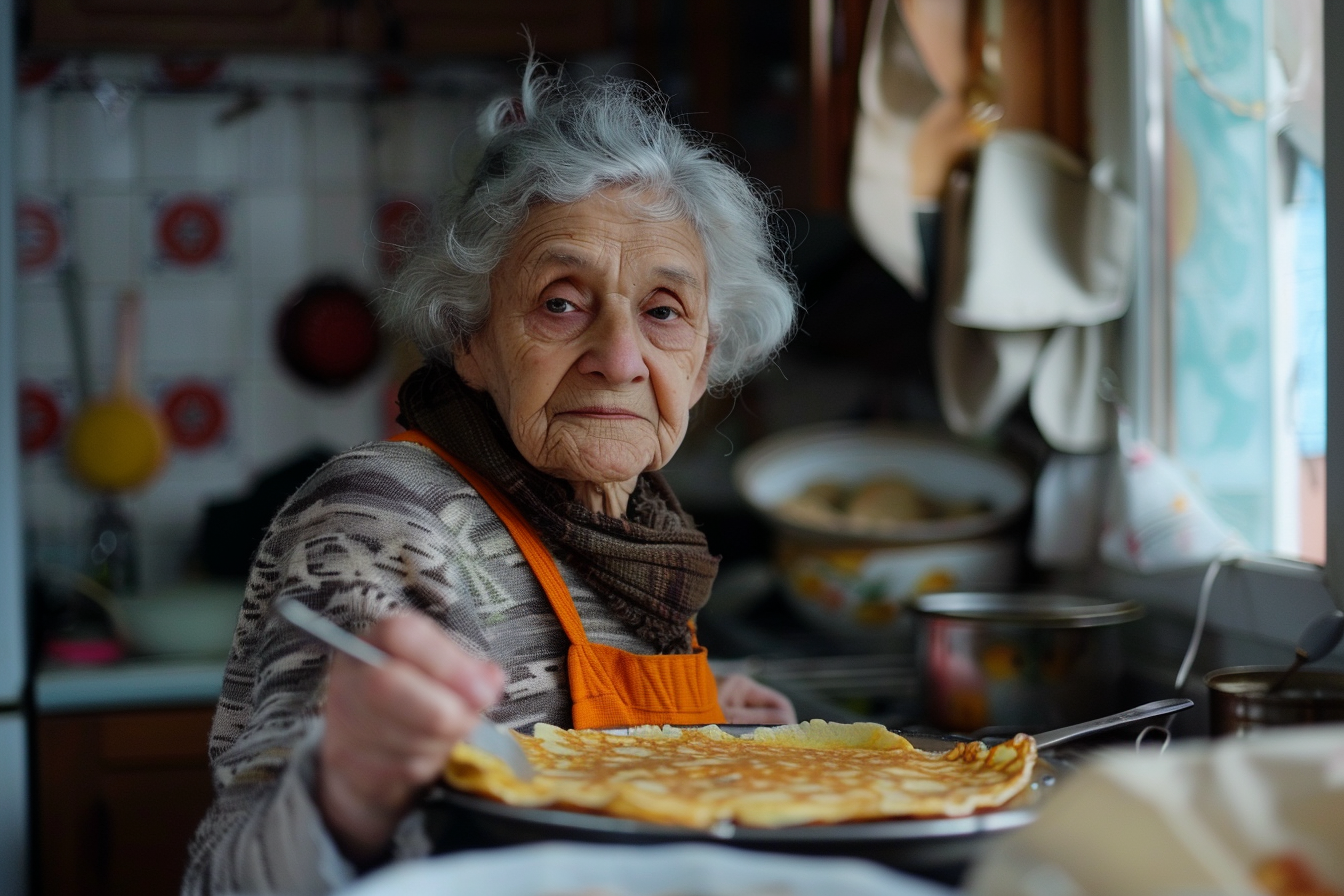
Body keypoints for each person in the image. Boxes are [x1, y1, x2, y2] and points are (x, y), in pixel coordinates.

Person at [183, 58, 800, 894]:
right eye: (560, 302)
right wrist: (344, 792)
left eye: (663, 312)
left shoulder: (643, 541)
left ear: (703, 362)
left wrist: (701, 731)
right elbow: (230, 880)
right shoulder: (380, 516)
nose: (619, 359)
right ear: (469, 337)